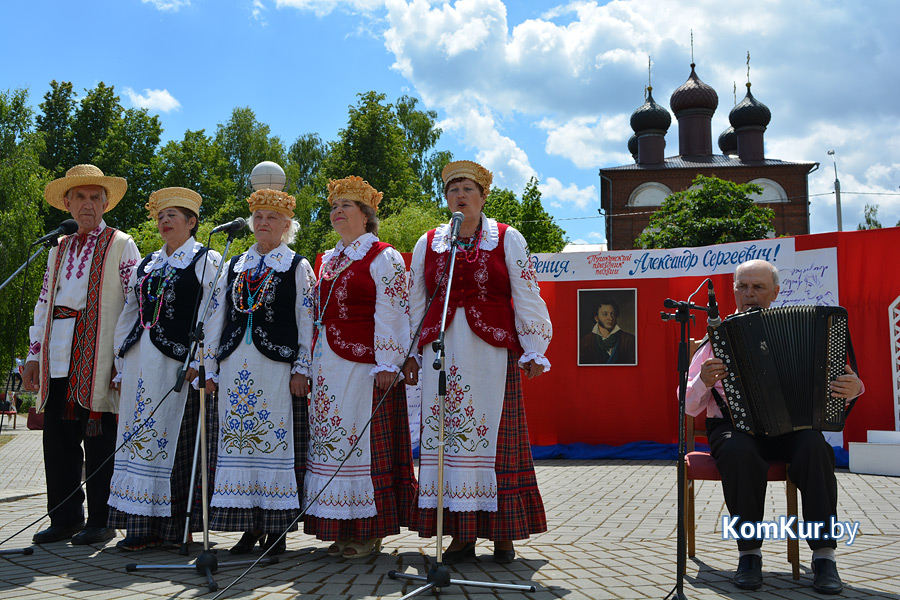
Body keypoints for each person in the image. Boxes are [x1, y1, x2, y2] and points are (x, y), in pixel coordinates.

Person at [402, 160, 552, 564]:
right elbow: (416, 300)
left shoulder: (506, 237)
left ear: (483, 196)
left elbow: (525, 291)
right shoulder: (430, 242)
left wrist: (535, 346)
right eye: (453, 190)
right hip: (442, 352)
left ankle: (504, 535)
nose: (460, 196)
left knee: (497, 441)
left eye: (468, 189)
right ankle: (461, 535)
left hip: (492, 353)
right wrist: (410, 353)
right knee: (447, 444)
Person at [684, 259, 863, 594]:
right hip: (732, 427)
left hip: (790, 430)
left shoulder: (807, 328)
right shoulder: (716, 338)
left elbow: (842, 382)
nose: (749, 294)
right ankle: (749, 553)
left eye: (758, 287)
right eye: (743, 286)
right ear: (734, 289)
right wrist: (702, 383)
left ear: (775, 292)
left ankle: (824, 557)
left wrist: (856, 389)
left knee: (816, 449)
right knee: (738, 451)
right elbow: (688, 403)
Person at [23, 164, 140, 545]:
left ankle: (101, 519)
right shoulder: (56, 248)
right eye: (80, 197)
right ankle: (65, 517)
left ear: (105, 203)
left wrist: (122, 357)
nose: (88, 204)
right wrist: (33, 355)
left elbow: (135, 303)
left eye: (95, 197)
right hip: (58, 351)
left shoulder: (122, 243)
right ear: (67, 204)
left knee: (100, 438)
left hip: (100, 354)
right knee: (57, 438)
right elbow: (44, 303)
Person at [303, 176, 417, 559]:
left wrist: (389, 361)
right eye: (334, 207)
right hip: (328, 365)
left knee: (362, 446)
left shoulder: (383, 255)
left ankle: (369, 533)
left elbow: (393, 309)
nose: (336, 212)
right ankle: (340, 528)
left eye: (345, 207)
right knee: (333, 445)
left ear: (366, 217)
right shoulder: (327, 259)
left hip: (365, 363)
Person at [107, 187, 221, 550]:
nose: (165, 221)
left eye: (173, 215)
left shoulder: (206, 259)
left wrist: (203, 358)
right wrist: (120, 363)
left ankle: (174, 529)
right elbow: (129, 312)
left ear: (192, 222)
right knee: (137, 441)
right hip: (140, 363)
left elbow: (215, 311)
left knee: (176, 442)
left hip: (178, 366)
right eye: (160, 216)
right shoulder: (148, 263)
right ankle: (139, 525)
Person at [203, 185, 315, 555]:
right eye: (258, 217)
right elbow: (216, 316)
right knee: (239, 444)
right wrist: (211, 366)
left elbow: (307, 320)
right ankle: (248, 527)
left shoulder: (298, 265)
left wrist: (303, 367)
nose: (263, 223)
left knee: (273, 446)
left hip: (277, 369)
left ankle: (277, 529)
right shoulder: (234, 264)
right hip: (236, 364)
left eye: (272, 218)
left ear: (287, 226)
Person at [579, 299, 636, 364]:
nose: (610, 318)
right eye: (605, 314)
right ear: (596, 318)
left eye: (613, 314)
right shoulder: (585, 342)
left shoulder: (629, 340)